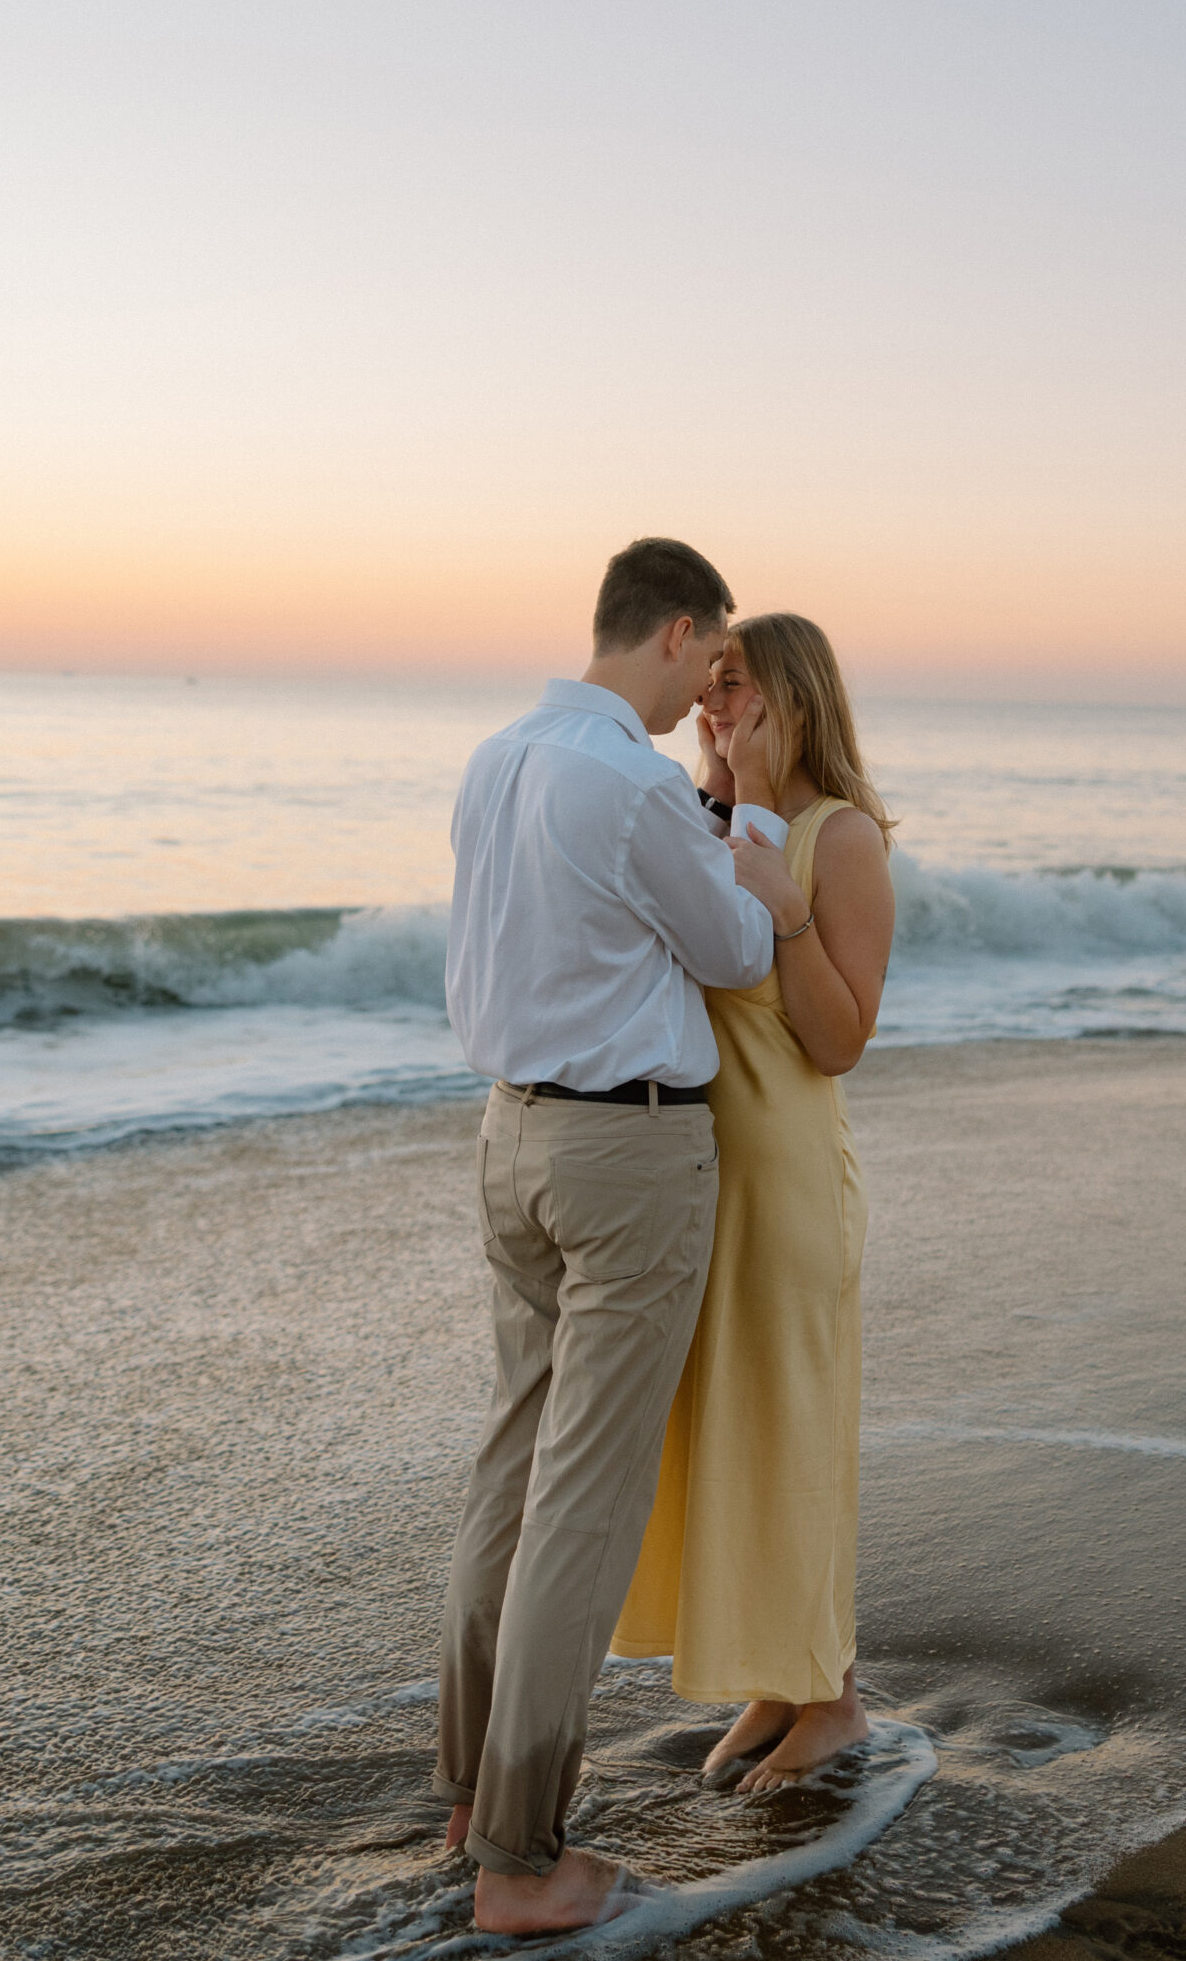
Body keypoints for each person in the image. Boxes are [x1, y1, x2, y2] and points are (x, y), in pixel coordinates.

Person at [433, 537, 792, 1933]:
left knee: (509, 1473)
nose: (710, 688)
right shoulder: (632, 781)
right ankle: (521, 1862)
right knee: (583, 1497)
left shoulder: (494, 758)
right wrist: (749, 807)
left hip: (506, 1135)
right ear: (680, 629)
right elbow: (738, 952)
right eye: (710, 664)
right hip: (623, 1149)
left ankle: (470, 1799)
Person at [612, 613, 895, 1791]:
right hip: (705, 1180)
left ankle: (831, 1697)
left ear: (792, 697)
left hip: (786, 1187)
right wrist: (723, 800)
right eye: (711, 688)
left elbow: (840, 1041)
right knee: (731, 1429)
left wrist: (782, 903)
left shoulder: (841, 840)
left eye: (736, 690)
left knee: (790, 1431)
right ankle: (780, 1680)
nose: (714, 706)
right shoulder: (716, 824)